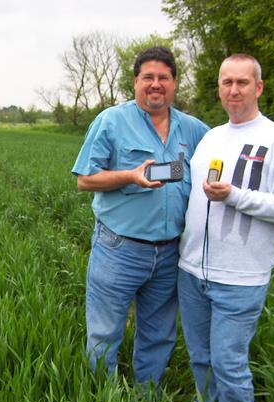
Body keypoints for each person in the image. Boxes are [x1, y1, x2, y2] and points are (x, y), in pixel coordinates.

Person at [178, 54, 274, 402]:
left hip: (241, 277)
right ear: (218, 87)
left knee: (228, 362)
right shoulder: (210, 138)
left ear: (259, 88)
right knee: (201, 359)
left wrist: (234, 195)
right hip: (191, 272)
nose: (234, 90)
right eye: (226, 82)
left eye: (243, 82)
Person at [71, 46, 209, 384]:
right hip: (118, 248)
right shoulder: (112, 121)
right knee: (105, 333)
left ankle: (147, 401)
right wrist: (130, 176)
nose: (156, 84)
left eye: (163, 77)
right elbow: (85, 179)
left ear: (175, 83)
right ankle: (102, 401)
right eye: (148, 77)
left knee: (159, 334)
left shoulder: (194, 130)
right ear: (136, 82)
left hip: (169, 252)